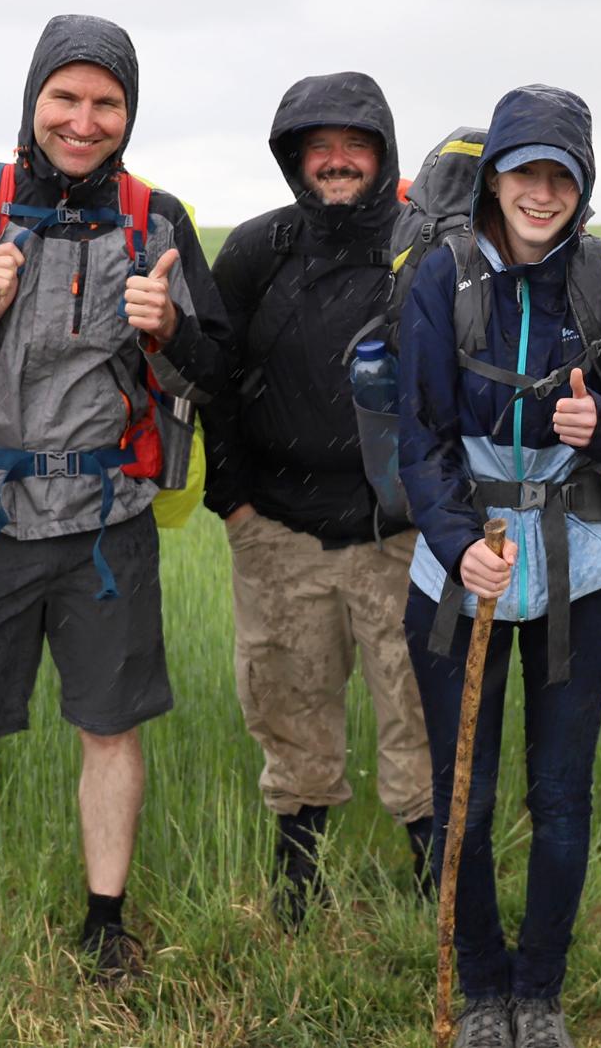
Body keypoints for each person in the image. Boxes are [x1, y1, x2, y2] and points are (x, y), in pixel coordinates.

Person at [0, 14, 232, 989]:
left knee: (110, 731)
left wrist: (168, 335)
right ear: (33, 101)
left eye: (106, 101)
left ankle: (106, 923)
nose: (84, 120)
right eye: (65, 98)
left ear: (129, 112)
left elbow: (223, 369)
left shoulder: (158, 222)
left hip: (109, 523)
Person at [399, 84, 601, 1048]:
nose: (541, 192)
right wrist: (456, 542)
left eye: (561, 175)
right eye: (525, 173)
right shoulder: (442, 277)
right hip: (460, 569)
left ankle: (539, 991)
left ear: (582, 184)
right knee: (460, 800)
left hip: (578, 570)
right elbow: (419, 436)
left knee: (559, 795)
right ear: (495, 178)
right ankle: (481, 990)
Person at [205, 72, 433, 925]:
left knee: (414, 700)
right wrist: (235, 504)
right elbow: (214, 381)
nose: (337, 163)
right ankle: (298, 880)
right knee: (288, 700)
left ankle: (431, 876)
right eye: (319, 148)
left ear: (383, 154)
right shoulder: (259, 249)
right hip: (279, 530)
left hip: (402, 532)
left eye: (355, 146)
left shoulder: (424, 247)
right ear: (295, 159)